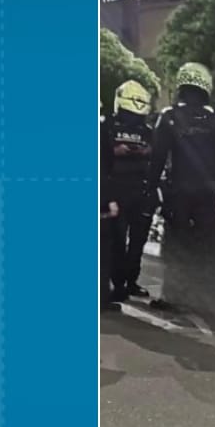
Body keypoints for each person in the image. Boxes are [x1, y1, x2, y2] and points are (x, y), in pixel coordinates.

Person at [146, 62, 215, 307]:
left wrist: (151, 189)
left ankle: (173, 297)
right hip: (208, 194)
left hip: (178, 194)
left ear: (181, 85)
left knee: (177, 244)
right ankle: (206, 296)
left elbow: (157, 158)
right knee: (207, 245)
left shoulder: (169, 116)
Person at [107, 80, 157, 301]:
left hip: (141, 191)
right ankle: (116, 284)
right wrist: (115, 151)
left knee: (138, 241)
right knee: (116, 240)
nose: (134, 120)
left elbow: (158, 156)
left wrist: (146, 151)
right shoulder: (107, 126)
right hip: (116, 191)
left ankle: (130, 282)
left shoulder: (148, 131)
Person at [99, 102, 121, 312]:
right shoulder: (100, 130)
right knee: (103, 247)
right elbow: (104, 168)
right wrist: (110, 199)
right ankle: (101, 297)